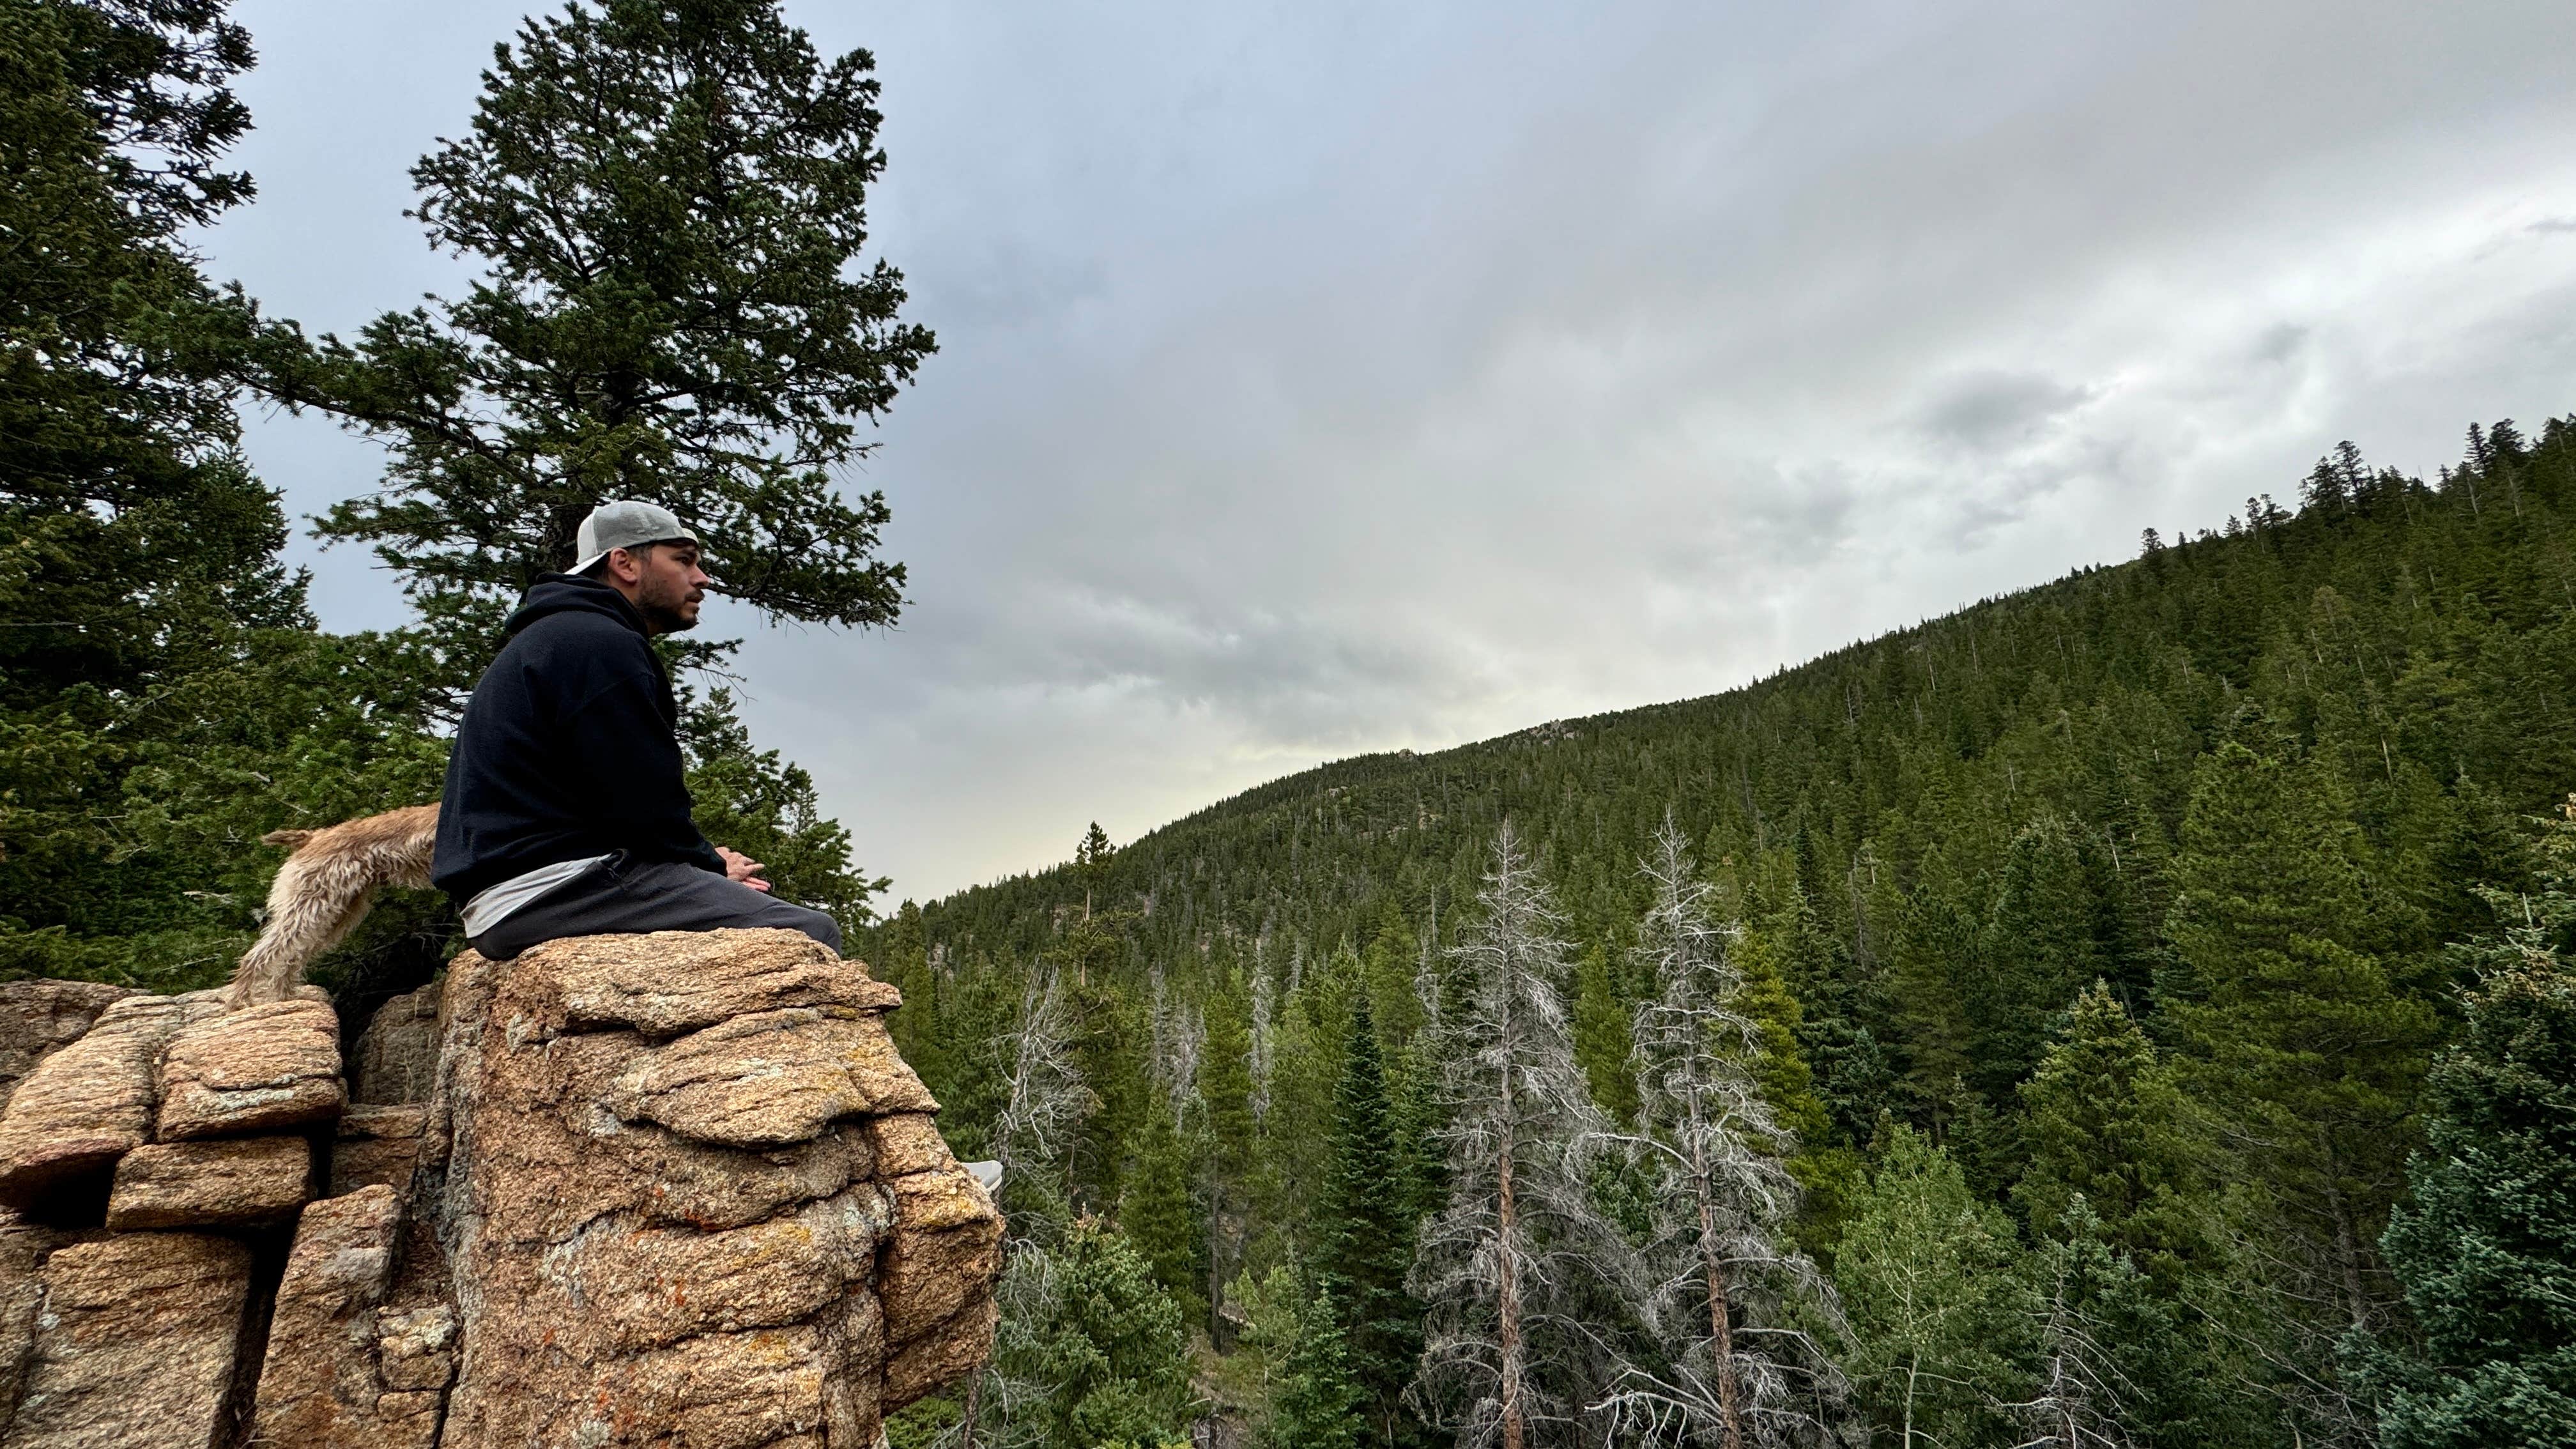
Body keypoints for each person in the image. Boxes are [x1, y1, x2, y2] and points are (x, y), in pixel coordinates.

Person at [430, 500, 843, 959]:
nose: (702, 578)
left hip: (516, 893)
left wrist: (699, 863)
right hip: (558, 889)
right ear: (624, 562)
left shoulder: (556, 638)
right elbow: (641, 802)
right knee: (805, 935)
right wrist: (709, 865)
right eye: (683, 560)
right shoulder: (600, 644)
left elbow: (607, 799)